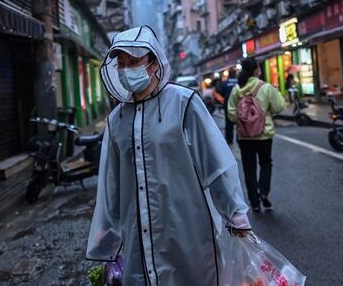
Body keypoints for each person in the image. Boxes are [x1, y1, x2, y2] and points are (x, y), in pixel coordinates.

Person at [86, 26, 252, 285]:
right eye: (122, 63)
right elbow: (111, 186)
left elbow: (214, 165)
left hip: (186, 228)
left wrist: (235, 213)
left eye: (135, 61)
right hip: (137, 234)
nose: (127, 68)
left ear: (153, 63)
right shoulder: (116, 120)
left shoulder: (184, 103)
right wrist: (107, 235)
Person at [227, 58, 285, 212]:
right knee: (266, 163)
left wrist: (243, 121)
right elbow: (279, 106)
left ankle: (254, 202)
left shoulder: (236, 90)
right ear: (256, 70)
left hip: (244, 136)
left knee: (248, 168)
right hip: (264, 134)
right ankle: (264, 192)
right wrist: (266, 112)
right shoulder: (265, 87)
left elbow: (231, 114)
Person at [217, 68, 238, 144]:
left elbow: (221, 93)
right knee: (240, 122)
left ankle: (229, 140)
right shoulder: (239, 82)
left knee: (229, 123)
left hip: (228, 105)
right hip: (238, 105)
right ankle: (239, 139)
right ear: (235, 74)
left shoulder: (225, 83)